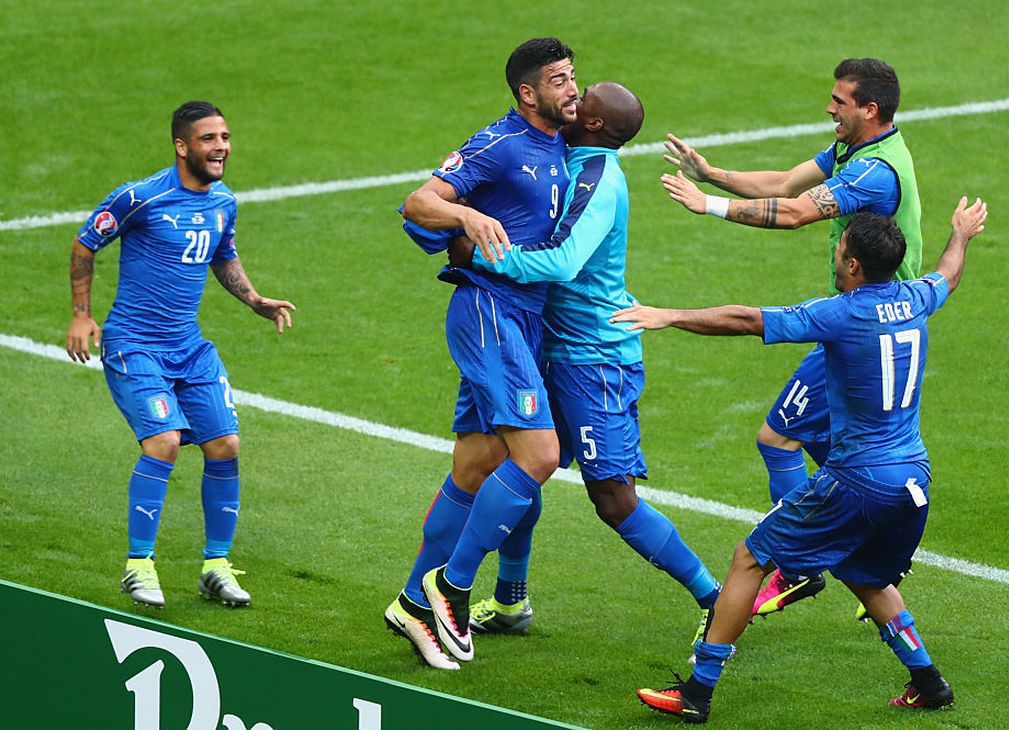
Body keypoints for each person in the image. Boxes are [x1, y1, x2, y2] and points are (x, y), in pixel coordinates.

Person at [615, 198, 987, 723]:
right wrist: (961, 234)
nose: (835, 256)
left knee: (749, 557)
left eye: (839, 249)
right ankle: (930, 682)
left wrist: (669, 315)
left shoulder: (843, 313)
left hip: (857, 480)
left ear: (853, 264)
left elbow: (747, 319)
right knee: (863, 574)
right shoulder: (916, 298)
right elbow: (948, 274)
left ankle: (696, 694)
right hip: (913, 480)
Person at [453, 82, 721, 656]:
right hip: (551, 347)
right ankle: (510, 599)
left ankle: (716, 601)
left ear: (596, 124)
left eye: (585, 100)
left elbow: (566, 262)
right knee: (522, 465)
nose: (573, 98)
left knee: (613, 498)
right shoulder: (564, 157)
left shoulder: (599, 178)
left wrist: (481, 253)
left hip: (595, 360)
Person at [660, 58, 922, 616]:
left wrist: (707, 205)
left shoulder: (877, 172)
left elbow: (797, 211)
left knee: (777, 438)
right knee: (839, 453)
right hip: (877, 322)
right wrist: (714, 174)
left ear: (869, 109)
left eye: (840, 100)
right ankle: (866, 544)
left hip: (864, 329)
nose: (830, 107)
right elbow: (782, 182)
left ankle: (798, 566)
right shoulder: (854, 152)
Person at [383, 37, 579, 670]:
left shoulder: (559, 144)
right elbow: (418, 203)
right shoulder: (500, 142)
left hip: (524, 318)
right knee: (539, 453)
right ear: (527, 93)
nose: (571, 87)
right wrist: (465, 220)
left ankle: (411, 599)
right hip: (489, 309)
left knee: (475, 464)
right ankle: (445, 592)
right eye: (557, 80)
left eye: (573, 76)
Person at [65, 101, 296, 609]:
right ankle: (138, 565)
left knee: (226, 445)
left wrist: (254, 300)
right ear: (182, 145)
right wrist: (82, 315)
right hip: (135, 345)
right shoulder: (140, 198)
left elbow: (223, 253)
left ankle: (215, 566)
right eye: (209, 139)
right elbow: (85, 246)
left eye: (226, 137)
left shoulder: (223, 202)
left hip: (189, 349)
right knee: (165, 442)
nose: (221, 148)